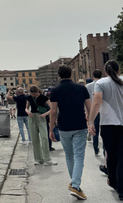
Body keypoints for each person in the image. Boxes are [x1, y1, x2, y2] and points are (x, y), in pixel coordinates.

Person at [48, 64, 91, 200]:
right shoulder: (81, 88)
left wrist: (51, 128)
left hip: (64, 126)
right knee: (79, 156)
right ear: (71, 74)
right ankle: (76, 185)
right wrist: (90, 122)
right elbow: (89, 108)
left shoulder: (55, 90)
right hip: (79, 125)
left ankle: (74, 183)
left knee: (69, 155)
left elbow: (53, 111)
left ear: (59, 75)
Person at [88, 60, 123, 201]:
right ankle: (121, 189)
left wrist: (90, 121)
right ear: (119, 70)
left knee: (112, 156)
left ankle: (114, 182)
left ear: (105, 71)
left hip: (109, 125)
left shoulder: (101, 83)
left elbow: (96, 102)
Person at [26, 86, 57, 167]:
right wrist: (28, 112)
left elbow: (52, 108)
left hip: (41, 117)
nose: (34, 96)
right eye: (32, 94)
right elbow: (26, 108)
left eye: (35, 94)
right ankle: (38, 159)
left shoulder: (44, 97)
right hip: (32, 118)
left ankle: (47, 158)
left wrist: (45, 114)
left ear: (38, 92)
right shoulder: (29, 98)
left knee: (44, 138)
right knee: (34, 139)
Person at [85, 69, 103, 155]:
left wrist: (87, 112)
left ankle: (96, 148)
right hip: (103, 110)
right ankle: (105, 149)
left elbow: (86, 100)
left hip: (93, 110)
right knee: (104, 130)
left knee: (94, 130)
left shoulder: (88, 86)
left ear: (93, 76)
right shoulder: (104, 84)